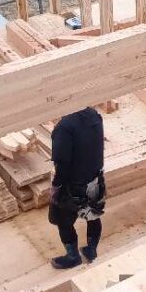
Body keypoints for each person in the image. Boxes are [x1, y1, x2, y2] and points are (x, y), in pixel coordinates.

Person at [48, 106, 106, 270]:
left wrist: (56, 187)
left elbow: (62, 164)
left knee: (62, 221)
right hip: (94, 179)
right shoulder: (93, 115)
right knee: (93, 215)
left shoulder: (64, 127)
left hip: (73, 185)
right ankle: (91, 250)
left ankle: (73, 256)